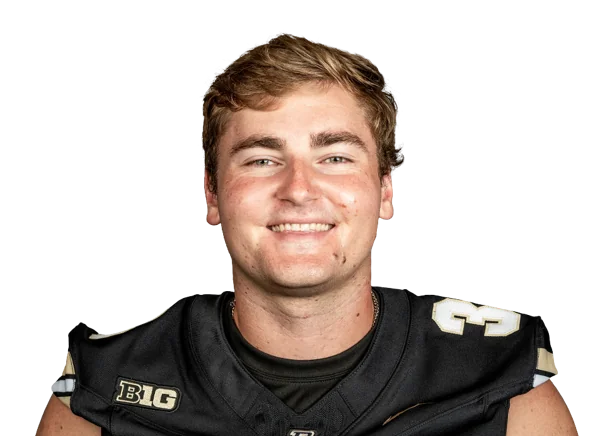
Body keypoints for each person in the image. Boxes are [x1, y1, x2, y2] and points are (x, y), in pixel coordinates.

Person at [37, 32, 576, 435]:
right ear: (212, 195)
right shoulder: (101, 385)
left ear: (384, 192)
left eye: (335, 156)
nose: (298, 189)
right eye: (262, 159)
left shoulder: (499, 378)